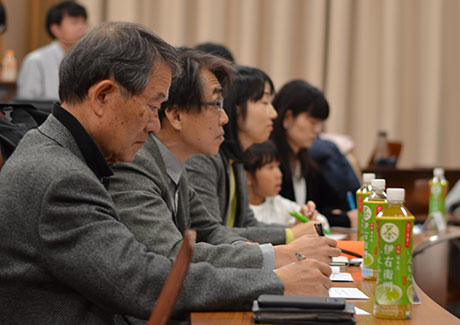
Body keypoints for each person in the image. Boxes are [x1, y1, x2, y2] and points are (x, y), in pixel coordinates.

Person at [0, 22, 333, 323]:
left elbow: (200, 239)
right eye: (152, 106)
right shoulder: (60, 177)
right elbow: (141, 280)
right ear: (103, 96)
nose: (155, 124)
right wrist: (277, 281)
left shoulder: (63, 154)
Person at [110, 48, 339, 272]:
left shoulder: (174, 165)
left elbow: (210, 230)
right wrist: (281, 253)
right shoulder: (138, 164)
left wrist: (249, 250)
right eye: (216, 105)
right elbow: (172, 254)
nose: (225, 117)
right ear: (177, 115)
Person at [185, 66, 319, 245]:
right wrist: (291, 235)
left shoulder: (236, 161)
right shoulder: (204, 158)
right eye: (264, 103)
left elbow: (247, 223)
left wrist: (295, 230)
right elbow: (210, 234)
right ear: (237, 108)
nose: (273, 113)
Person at [271, 79, 358, 227]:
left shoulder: (308, 162)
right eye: (312, 122)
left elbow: (322, 210)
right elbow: (278, 216)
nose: (317, 130)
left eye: (320, 124)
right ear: (287, 118)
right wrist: (344, 219)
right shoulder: (269, 162)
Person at [244, 140, 330, 231]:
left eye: (278, 167)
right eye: (270, 168)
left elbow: (323, 222)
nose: (279, 174)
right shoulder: (240, 211)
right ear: (248, 177)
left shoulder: (278, 203)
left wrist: (308, 218)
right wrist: (293, 230)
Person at [17, 1, 88, 100]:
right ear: (56, 29)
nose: (82, 28)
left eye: (84, 22)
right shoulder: (36, 60)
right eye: (74, 23)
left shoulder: (87, 59)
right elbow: (27, 104)